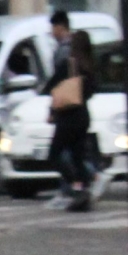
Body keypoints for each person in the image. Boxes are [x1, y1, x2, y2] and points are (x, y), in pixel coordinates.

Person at [43, 14, 94, 213]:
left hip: (68, 117)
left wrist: (51, 109)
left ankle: (76, 185)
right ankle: (82, 192)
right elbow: (91, 90)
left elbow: (52, 86)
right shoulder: (88, 67)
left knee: (54, 154)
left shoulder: (68, 64)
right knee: (77, 157)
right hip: (83, 116)